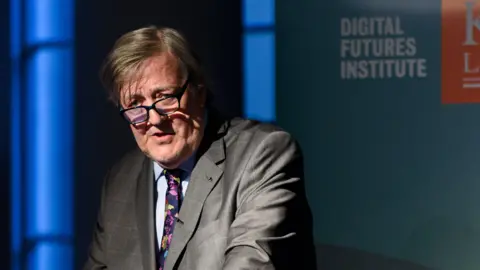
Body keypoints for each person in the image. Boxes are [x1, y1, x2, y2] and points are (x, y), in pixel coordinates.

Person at [83, 25, 317, 270]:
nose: (153, 119)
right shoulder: (121, 179)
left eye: (165, 98)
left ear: (199, 92)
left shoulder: (264, 154)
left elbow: (254, 262)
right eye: (134, 105)